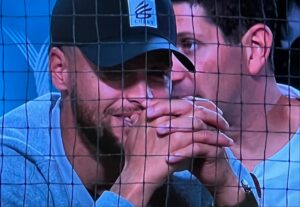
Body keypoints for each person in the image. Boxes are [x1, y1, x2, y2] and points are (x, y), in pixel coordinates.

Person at [0, 0, 249, 206]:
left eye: (156, 72)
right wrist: (134, 184)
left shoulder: (183, 140)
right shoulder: (12, 168)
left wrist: (228, 189)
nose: (144, 97)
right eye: (117, 70)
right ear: (60, 70)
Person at [169, 0, 300, 206]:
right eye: (164, 49)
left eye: (189, 45)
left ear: (255, 49)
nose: (171, 72)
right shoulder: (163, 159)